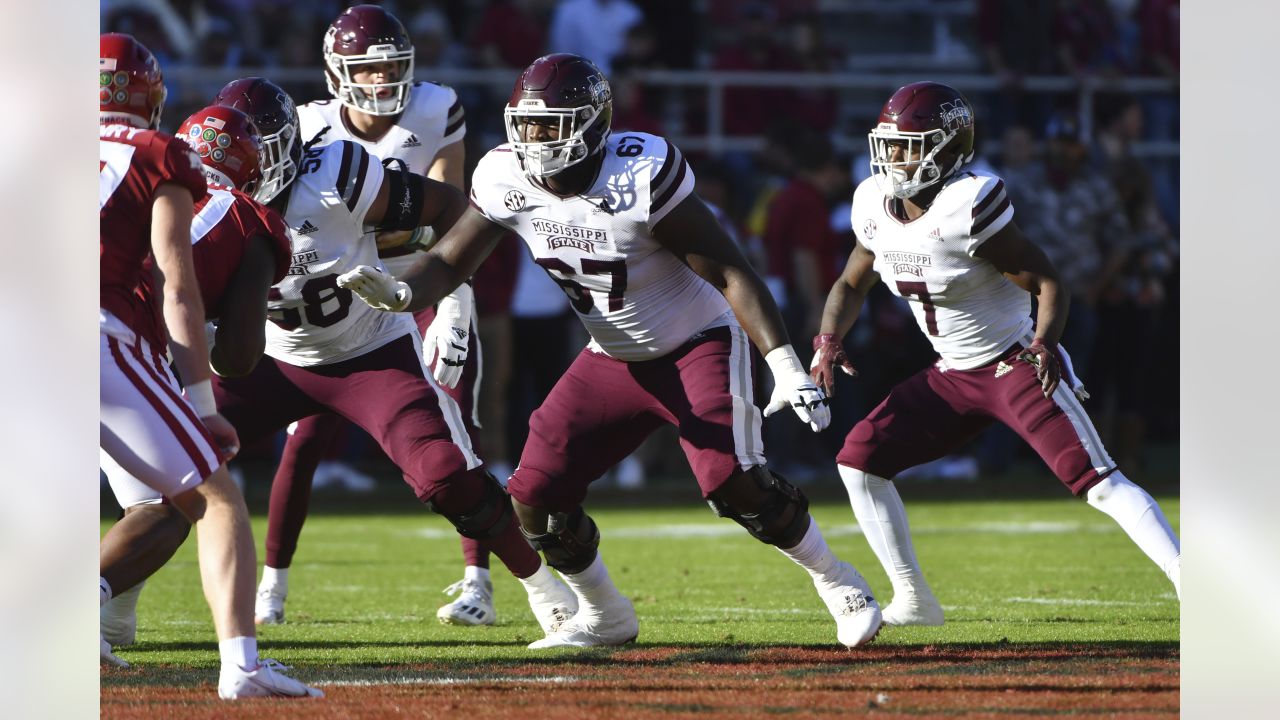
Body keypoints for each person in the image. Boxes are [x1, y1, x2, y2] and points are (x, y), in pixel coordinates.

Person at [337, 53, 883, 649]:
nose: (534, 138)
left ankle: (837, 580)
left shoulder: (639, 172)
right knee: (534, 498)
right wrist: (402, 291)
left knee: (732, 480)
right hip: (613, 352)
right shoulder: (504, 177)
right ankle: (605, 614)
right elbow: (449, 258)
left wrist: (782, 363)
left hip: (695, 340)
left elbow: (730, 271)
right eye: (526, 124)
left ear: (593, 124)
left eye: (551, 125)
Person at [207, 75, 579, 641]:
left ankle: (543, 589)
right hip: (271, 359)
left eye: (254, 151)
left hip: (367, 351)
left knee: (446, 474)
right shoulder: (196, 202)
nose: (243, 168)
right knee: (165, 465)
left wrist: (452, 300)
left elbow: (453, 211)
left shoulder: (337, 175)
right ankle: (115, 605)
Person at [810, 82, 1181, 628]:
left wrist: (1045, 345)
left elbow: (1050, 281)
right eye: (889, 145)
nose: (895, 158)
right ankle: (914, 598)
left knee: (1099, 483)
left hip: (1014, 363)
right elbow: (848, 283)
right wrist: (827, 339)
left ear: (948, 149)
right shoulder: (872, 203)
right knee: (858, 462)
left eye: (910, 145)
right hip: (951, 375)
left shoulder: (969, 204)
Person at [254, 4, 500, 631]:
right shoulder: (306, 126)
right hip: (329, 294)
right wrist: (374, 231)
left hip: (414, 287)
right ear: (339, 72)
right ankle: (271, 586)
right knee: (304, 438)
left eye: (393, 64)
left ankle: (479, 579)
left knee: (455, 415)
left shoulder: (435, 106)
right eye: (368, 67)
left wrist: (452, 300)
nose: (384, 78)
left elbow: (451, 223)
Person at [97, 34, 320, 699]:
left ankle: (100, 619)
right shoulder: (202, 187)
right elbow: (192, 304)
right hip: (106, 340)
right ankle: (242, 667)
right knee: (214, 497)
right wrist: (204, 403)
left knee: (152, 507)